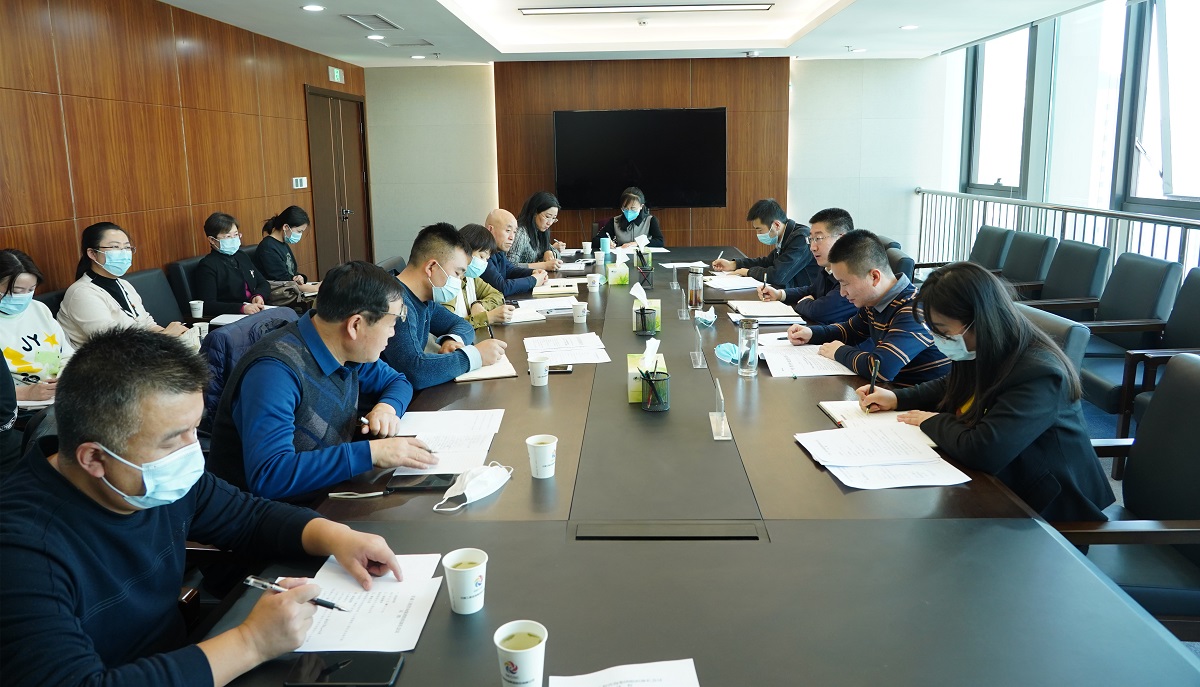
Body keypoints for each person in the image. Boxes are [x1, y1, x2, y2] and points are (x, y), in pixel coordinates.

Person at [0, 328, 407, 687]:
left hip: (187, 660)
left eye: (194, 430)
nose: (191, 452)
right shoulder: (22, 550)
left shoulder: (147, 479)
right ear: (93, 458)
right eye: (173, 439)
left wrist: (337, 536)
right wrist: (251, 642)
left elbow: (250, 517)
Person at [857, 262, 1116, 521]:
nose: (939, 340)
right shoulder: (984, 345)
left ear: (978, 321)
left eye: (943, 331)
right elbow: (951, 384)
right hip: (1003, 483)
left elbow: (983, 451)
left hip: (1050, 510)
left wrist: (932, 421)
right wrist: (897, 398)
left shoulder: (1040, 374)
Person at [208, 261, 436, 500]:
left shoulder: (343, 346)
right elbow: (270, 475)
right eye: (391, 324)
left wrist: (386, 408)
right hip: (270, 513)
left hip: (327, 492)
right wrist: (370, 453)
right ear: (355, 325)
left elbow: (398, 382)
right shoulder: (274, 373)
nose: (393, 333)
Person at [786, 230, 949, 387]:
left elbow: (880, 369)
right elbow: (851, 330)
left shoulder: (914, 310)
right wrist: (812, 333)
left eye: (845, 283)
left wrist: (839, 351)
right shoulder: (875, 301)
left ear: (874, 277)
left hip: (919, 399)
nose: (842, 292)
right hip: (891, 393)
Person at [382, 223, 507, 390]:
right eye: (457, 273)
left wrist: (452, 340)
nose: (460, 281)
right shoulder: (395, 304)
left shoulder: (426, 300)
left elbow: (462, 325)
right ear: (431, 267)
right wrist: (475, 356)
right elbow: (415, 371)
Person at [57, 222, 190, 347]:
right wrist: (166, 336)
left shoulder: (124, 284)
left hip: (143, 354)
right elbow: (112, 343)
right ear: (92, 253)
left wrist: (175, 336)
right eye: (115, 247)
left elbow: (147, 324)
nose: (123, 253)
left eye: (126, 247)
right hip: (107, 361)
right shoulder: (82, 293)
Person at [757, 208, 857, 325]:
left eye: (818, 239)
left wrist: (804, 303)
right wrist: (779, 294)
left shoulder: (854, 273)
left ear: (841, 239)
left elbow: (821, 311)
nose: (812, 247)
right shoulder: (827, 266)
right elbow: (812, 290)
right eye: (811, 239)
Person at [0, 249, 72, 404]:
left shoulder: (39, 309)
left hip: (59, 397)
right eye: (16, 291)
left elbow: (66, 355)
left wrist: (65, 378)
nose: (25, 297)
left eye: (31, 290)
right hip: (19, 406)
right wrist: (25, 393)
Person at [711, 198, 820, 291]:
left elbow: (778, 276)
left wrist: (748, 272)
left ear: (776, 225)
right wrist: (734, 264)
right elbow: (768, 262)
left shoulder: (801, 238)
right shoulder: (785, 235)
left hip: (803, 296)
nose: (758, 234)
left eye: (760, 230)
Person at [194, 212, 271, 317]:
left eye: (235, 235)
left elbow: (263, 283)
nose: (233, 239)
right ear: (212, 240)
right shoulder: (208, 265)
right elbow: (208, 304)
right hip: (234, 316)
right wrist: (242, 308)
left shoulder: (241, 256)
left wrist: (258, 296)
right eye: (228, 236)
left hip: (255, 310)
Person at [442, 224, 514, 331]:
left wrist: (478, 304)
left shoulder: (471, 278)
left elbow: (498, 295)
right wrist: (488, 317)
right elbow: (446, 327)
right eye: (481, 256)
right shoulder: (447, 283)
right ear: (466, 250)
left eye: (486, 259)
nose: (484, 263)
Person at [254, 205, 319, 300]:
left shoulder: (282, 243)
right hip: (279, 297)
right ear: (285, 227)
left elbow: (290, 273)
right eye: (299, 231)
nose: (300, 235)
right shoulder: (267, 248)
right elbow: (283, 282)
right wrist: (315, 288)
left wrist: (299, 277)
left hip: (290, 291)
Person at [481, 208, 547, 296]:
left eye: (514, 232)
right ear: (490, 229)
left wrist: (533, 272)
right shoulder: (481, 254)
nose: (512, 237)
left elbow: (510, 271)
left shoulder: (498, 251)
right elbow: (501, 288)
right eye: (508, 230)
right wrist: (534, 280)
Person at [509, 191, 564, 271]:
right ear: (534, 213)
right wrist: (543, 265)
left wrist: (548, 251)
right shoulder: (521, 233)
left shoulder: (539, 231)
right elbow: (510, 265)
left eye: (553, 218)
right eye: (547, 217)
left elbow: (556, 255)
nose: (550, 223)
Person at [593, 187, 664, 249]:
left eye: (633, 208)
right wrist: (606, 243)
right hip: (621, 256)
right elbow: (595, 241)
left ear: (641, 206)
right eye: (625, 208)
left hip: (643, 257)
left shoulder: (650, 220)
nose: (629, 212)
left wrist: (637, 243)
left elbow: (660, 241)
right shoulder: (615, 221)